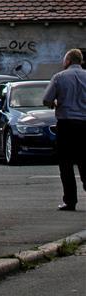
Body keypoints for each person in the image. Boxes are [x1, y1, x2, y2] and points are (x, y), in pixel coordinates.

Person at [43, 48, 86, 211]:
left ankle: (70, 200)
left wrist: (55, 103)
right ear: (80, 61)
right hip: (85, 124)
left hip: (67, 124)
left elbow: (47, 99)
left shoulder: (59, 77)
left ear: (67, 61)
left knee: (66, 164)